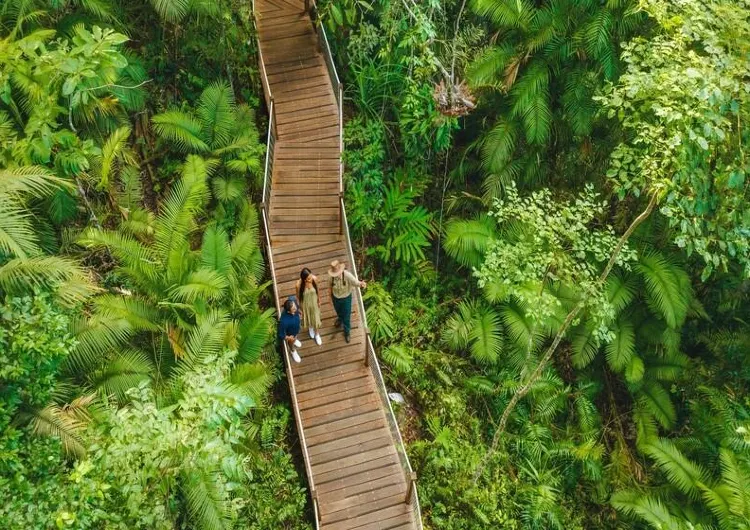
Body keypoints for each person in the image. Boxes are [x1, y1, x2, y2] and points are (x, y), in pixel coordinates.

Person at [328, 260, 366, 343]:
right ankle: (340, 319)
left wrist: (361, 284)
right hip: (336, 298)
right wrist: (330, 298)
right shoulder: (331, 277)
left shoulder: (347, 275)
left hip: (346, 298)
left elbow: (355, 282)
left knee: (346, 316)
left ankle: (347, 332)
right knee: (338, 311)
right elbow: (330, 287)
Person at [296, 268, 323, 346]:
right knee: (308, 317)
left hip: (314, 302)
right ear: (304, 279)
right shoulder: (298, 285)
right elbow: (298, 297)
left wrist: (319, 300)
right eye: (308, 279)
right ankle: (310, 327)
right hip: (305, 304)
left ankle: (317, 334)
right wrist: (299, 308)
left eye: (311, 277)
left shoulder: (314, 279)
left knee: (315, 318)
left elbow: (318, 290)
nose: (310, 279)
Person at [278, 297, 303, 363]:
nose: (296, 308)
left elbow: (296, 305)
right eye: (294, 308)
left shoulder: (293, 303)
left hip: (296, 330)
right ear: (289, 311)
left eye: (295, 306)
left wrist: (300, 312)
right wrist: (289, 337)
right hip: (291, 335)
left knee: (295, 337)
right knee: (291, 343)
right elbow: (281, 334)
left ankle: (295, 340)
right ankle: (293, 351)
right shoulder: (284, 321)